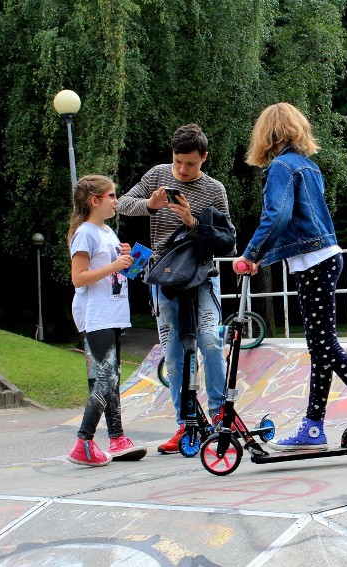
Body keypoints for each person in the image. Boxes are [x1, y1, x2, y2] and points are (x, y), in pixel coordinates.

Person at [232, 102, 347, 469]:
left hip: (315, 263)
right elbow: (297, 219)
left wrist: (250, 254)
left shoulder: (281, 166)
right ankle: (313, 426)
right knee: (320, 345)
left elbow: (276, 216)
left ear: (267, 133)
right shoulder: (308, 165)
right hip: (323, 257)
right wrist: (265, 256)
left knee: (325, 344)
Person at [117, 124, 231, 454]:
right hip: (163, 278)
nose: (182, 170)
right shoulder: (157, 175)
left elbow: (226, 239)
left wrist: (194, 223)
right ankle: (186, 424)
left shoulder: (214, 189)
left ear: (204, 158)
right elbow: (123, 203)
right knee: (174, 354)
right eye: (178, 162)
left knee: (209, 341)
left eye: (190, 164)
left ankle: (220, 414)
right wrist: (149, 206)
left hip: (202, 276)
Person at [67, 175, 147, 466]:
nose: (116, 201)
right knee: (106, 378)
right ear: (95, 201)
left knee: (112, 380)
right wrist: (115, 263)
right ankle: (83, 443)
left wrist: (129, 258)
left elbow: (122, 275)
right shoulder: (85, 233)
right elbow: (78, 278)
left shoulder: (108, 233)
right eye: (112, 196)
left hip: (113, 314)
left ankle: (118, 439)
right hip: (96, 315)